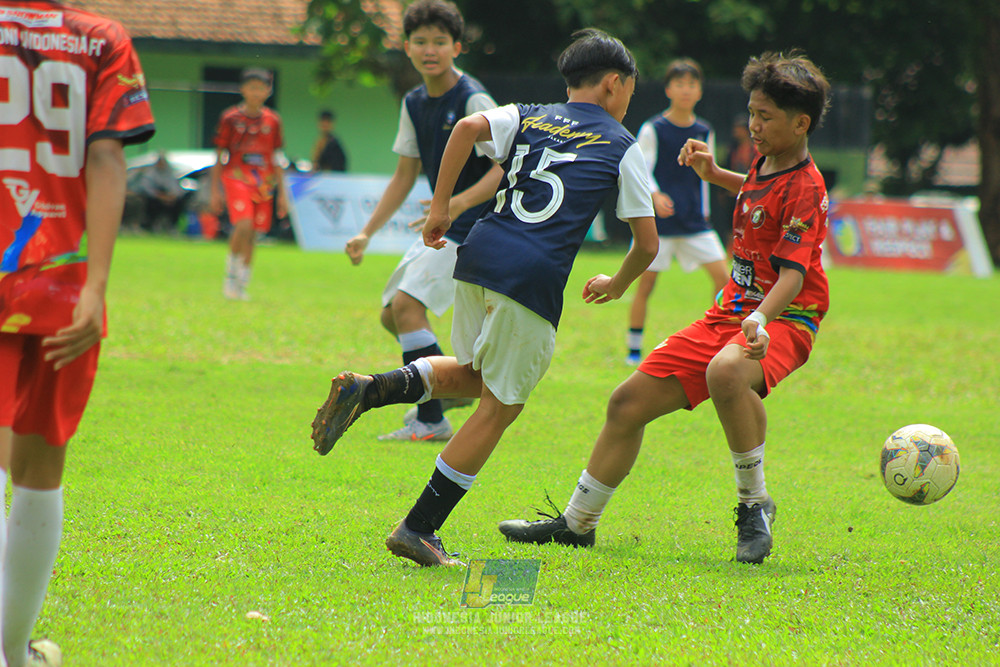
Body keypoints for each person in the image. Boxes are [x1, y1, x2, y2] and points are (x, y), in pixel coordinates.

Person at [311, 28, 658, 568]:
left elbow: (468, 128)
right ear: (615, 83)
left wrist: (440, 207)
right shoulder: (622, 143)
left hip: (477, 255)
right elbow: (647, 244)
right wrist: (617, 283)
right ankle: (418, 528)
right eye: (631, 89)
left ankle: (371, 388)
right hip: (531, 275)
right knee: (500, 407)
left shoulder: (530, 114)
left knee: (477, 376)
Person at [497, 50, 832, 566]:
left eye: (765, 117)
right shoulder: (768, 160)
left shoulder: (808, 186)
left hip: (785, 316)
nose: (753, 125)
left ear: (801, 123)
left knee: (726, 373)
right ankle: (577, 523)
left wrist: (760, 319)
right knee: (626, 404)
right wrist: (714, 173)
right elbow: (759, 194)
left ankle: (754, 504)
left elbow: (794, 275)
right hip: (734, 310)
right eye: (751, 112)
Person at [0, 2, 156, 665]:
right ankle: (13, 652)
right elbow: (107, 157)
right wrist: (95, 285)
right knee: (40, 467)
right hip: (59, 283)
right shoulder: (100, 38)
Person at [343, 0, 504, 441]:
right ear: (407, 48)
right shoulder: (414, 102)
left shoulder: (473, 98)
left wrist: (458, 203)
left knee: (406, 308)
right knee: (390, 315)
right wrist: (366, 232)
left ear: (456, 47)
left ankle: (432, 419)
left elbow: (506, 166)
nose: (429, 50)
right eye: (420, 42)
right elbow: (403, 175)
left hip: (477, 227)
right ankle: (449, 384)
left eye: (439, 41)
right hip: (444, 225)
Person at [625, 58, 729, 366]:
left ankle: (717, 341)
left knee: (724, 280)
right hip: (660, 225)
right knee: (645, 285)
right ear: (668, 89)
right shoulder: (653, 128)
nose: (686, 90)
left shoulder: (704, 130)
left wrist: (705, 213)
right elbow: (640, 168)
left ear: (700, 91)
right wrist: (655, 195)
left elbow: (708, 175)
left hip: (695, 222)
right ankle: (633, 350)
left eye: (692, 85)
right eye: (679, 84)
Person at [209, 67, 288, 301]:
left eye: (261, 88)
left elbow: (277, 158)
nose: (256, 93)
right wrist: (214, 191)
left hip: (263, 182)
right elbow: (219, 156)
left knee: (253, 233)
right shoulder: (230, 118)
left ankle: (242, 284)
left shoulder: (273, 121)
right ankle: (230, 277)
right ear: (242, 89)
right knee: (242, 224)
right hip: (237, 177)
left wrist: (283, 194)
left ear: (268, 91)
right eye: (251, 88)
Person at [133, 151, 188, 233]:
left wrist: (172, 196)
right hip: (154, 197)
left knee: (179, 203)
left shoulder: (169, 173)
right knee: (150, 203)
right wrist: (160, 196)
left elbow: (176, 188)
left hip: (168, 197)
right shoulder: (150, 173)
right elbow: (146, 188)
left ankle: (172, 226)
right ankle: (150, 225)